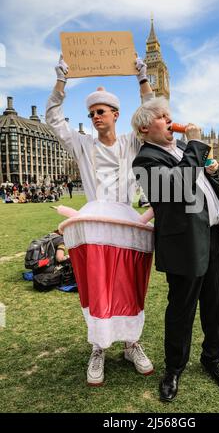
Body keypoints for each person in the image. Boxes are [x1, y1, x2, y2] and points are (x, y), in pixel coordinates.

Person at [46, 54, 155, 386]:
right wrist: (62, 81)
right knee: (98, 287)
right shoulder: (82, 145)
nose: (94, 117)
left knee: (130, 285)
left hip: (127, 223)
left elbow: (151, 114)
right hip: (94, 223)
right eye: (91, 113)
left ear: (116, 115)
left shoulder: (131, 142)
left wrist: (141, 77)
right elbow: (53, 118)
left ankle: (131, 344)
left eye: (100, 112)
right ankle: (98, 348)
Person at [132, 97, 219, 402]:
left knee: (215, 303)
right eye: (162, 116)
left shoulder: (181, 149)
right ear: (144, 127)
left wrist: (211, 168)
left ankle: (212, 358)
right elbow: (177, 188)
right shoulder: (144, 160)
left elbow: (198, 181)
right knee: (181, 309)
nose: (170, 120)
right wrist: (195, 145)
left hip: (213, 235)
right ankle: (174, 368)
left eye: (169, 114)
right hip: (184, 243)